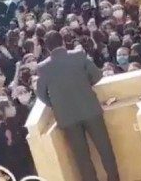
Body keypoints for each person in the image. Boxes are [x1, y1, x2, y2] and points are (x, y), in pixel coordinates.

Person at [36, 31, 119, 181]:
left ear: (47, 48)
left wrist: (56, 104)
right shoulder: (78, 55)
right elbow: (97, 75)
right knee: (105, 149)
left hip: (67, 117)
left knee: (82, 158)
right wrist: (85, 86)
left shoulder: (43, 67)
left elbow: (41, 94)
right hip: (90, 109)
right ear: (63, 41)